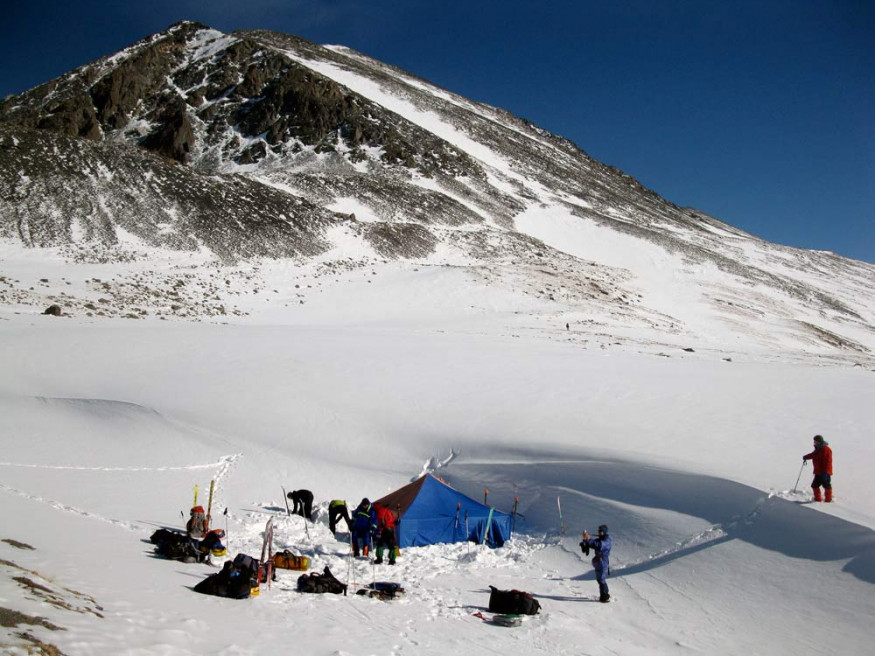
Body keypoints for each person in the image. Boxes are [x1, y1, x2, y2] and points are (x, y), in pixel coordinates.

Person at [580, 524, 612, 602]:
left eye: (600, 531)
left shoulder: (607, 541)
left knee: (601, 579)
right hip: (598, 561)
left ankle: (604, 596)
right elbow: (594, 543)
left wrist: (589, 539)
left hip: (602, 561)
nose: (599, 532)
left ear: (604, 532)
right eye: (598, 531)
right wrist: (586, 541)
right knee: (599, 579)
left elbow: (598, 545)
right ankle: (605, 594)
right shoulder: (601, 539)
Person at [803, 435, 834, 502]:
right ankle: (818, 499)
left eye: (815, 441)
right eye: (814, 441)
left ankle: (828, 500)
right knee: (814, 485)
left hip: (824, 472)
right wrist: (806, 457)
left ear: (819, 442)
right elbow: (813, 455)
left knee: (826, 485)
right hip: (818, 472)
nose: (814, 443)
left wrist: (826, 472)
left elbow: (828, 462)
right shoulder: (818, 449)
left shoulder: (826, 449)